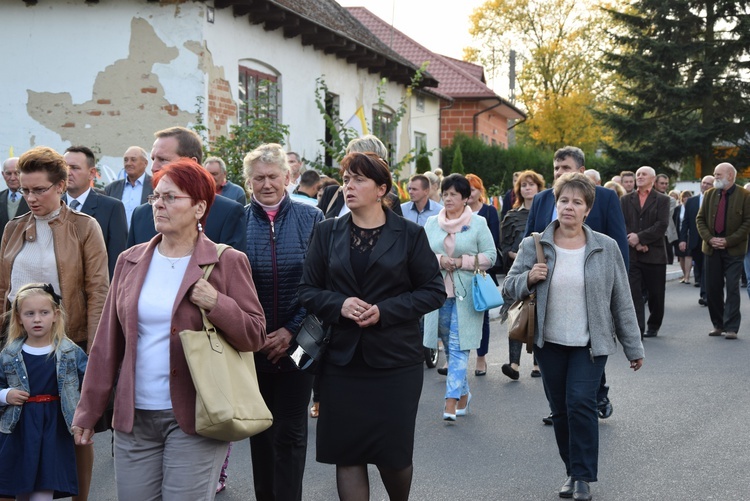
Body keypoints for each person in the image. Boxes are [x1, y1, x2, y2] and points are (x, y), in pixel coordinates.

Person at [71, 158, 266, 500]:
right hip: (134, 417)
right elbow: (106, 345)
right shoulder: (130, 261)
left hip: (196, 416)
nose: (159, 204)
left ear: (199, 207)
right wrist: (88, 410)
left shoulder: (227, 262)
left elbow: (254, 334)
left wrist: (216, 303)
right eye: (156, 197)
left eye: (171, 197)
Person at [299, 152, 445, 501]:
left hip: (395, 361)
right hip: (341, 362)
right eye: (347, 178)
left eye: (359, 179)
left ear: (382, 189)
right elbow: (307, 290)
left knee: (393, 456)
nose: (349, 186)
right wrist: (340, 304)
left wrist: (386, 310)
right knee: (347, 454)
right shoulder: (327, 231)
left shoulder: (409, 235)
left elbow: (433, 291)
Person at [504, 173, 644, 501]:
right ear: (556, 205)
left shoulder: (605, 248)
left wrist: (632, 346)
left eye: (576, 202)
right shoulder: (535, 244)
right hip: (548, 343)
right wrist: (528, 277)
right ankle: (571, 470)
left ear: (587, 210)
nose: (569, 207)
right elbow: (508, 286)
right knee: (560, 411)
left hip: (589, 344)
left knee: (581, 402)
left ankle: (582, 477)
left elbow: (621, 300)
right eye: (564, 200)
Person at [0, 146, 108, 501]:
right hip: (17, 346)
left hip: (67, 346)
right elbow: (3, 289)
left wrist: (95, 354)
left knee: (73, 428)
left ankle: (79, 497)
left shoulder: (84, 226)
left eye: (39, 189)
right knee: (13, 428)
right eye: (25, 189)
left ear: (61, 185)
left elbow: (98, 292)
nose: (30, 197)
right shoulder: (13, 228)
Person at [242, 143, 323, 500]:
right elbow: (228, 286)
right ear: (248, 183)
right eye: (258, 178)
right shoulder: (236, 222)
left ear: (288, 178)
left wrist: (291, 330)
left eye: (273, 176)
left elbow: (323, 283)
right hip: (250, 345)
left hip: (301, 341)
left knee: (291, 434)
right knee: (260, 432)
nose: (266, 184)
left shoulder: (313, 219)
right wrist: (257, 334)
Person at [525, 146, 628, 423]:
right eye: (556, 168)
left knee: (592, 344)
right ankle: (564, 407)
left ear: (581, 171)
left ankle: (596, 394)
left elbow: (618, 242)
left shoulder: (604, 197)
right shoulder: (543, 198)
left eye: (565, 168)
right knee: (561, 374)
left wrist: (618, 283)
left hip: (593, 285)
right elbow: (530, 237)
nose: (559, 173)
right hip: (552, 297)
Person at [0, 283, 88, 501]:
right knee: (20, 487)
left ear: (56, 315)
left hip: (53, 430)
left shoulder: (69, 351)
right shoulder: (9, 354)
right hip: (20, 430)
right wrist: (6, 395)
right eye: (30, 314)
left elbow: (92, 382)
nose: (37, 319)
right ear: (19, 318)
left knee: (43, 490)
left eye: (44, 313)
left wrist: (87, 416)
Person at [423, 174, 496, 421]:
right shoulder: (432, 222)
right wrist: (440, 260)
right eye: (445, 194)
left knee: (458, 345)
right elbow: (420, 255)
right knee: (447, 341)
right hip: (438, 293)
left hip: (468, 294)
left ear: (466, 198)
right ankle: (464, 395)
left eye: (454, 194)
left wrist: (461, 262)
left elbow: (491, 256)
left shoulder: (478, 223)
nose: (448, 198)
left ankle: (451, 400)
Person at [127, 127, 246, 250]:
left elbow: (231, 267)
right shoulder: (140, 216)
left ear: (191, 163)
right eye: (153, 159)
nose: (153, 168)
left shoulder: (226, 214)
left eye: (162, 159)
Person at [696, 163, 750, 340]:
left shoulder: (745, 195)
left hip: (734, 249)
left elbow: (747, 223)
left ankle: (732, 327)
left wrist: (728, 241)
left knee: (733, 288)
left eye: (718, 174)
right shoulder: (710, 194)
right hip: (712, 249)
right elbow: (700, 219)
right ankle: (718, 324)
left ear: (731, 176)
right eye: (714, 174)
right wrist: (710, 239)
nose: (715, 177)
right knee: (713, 288)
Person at [499, 170, 544, 379]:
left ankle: (538, 364)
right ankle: (514, 364)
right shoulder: (511, 216)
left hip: (542, 270)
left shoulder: (546, 215)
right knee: (515, 314)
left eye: (531, 184)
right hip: (517, 271)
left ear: (539, 187)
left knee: (538, 315)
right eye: (523, 185)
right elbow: (505, 245)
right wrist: (520, 256)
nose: (527, 188)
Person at [63, 146, 128, 279]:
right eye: (65, 167)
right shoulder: (54, 206)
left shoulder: (111, 207)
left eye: (74, 168)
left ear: (92, 173)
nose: (68, 172)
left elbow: (116, 257)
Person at [620, 166, 670, 338]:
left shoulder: (662, 200)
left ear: (653, 179)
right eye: (638, 174)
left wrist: (640, 238)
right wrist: (635, 243)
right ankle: (637, 329)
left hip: (654, 255)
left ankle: (654, 325)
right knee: (634, 294)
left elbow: (661, 225)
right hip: (633, 254)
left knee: (656, 294)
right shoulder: (626, 199)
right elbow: (622, 223)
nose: (639, 177)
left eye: (644, 174)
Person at [317, 135, 403, 219]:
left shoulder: (390, 201)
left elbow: (396, 230)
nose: (352, 164)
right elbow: (316, 227)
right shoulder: (332, 193)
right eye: (349, 159)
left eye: (358, 159)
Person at [465, 173, 500, 376]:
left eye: (473, 189)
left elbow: (492, 243)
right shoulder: (456, 212)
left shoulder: (489, 211)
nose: (470, 193)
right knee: (455, 316)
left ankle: (481, 357)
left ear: (480, 191)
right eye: (466, 189)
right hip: (458, 271)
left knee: (482, 316)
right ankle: (455, 358)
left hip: (481, 271)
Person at [679, 176, 714, 306]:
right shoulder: (692, 201)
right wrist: (682, 240)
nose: (705, 185)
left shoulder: (716, 200)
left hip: (710, 241)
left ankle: (705, 295)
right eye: (703, 183)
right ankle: (705, 292)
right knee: (699, 266)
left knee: (707, 268)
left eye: (708, 184)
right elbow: (686, 222)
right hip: (695, 241)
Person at [104, 146, 153, 227]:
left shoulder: (155, 186)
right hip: (118, 238)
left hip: (146, 238)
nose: (128, 163)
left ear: (145, 163)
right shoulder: (111, 189)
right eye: (126, 160)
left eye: (133, 160)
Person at [0, 158, 29, 240]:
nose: (12, 178)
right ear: (3, 174)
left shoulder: (34, 198)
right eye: (8, 173)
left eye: (17, 173)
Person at [655, 174, 678, 264]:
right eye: (662, 183)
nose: (664, 186)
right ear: (655, 183)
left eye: (666, 184)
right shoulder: (647, 197)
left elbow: (664, 215)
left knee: (667, 261)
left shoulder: (671, 200)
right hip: (650, 233)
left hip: (665, 234)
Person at [675, 190, 693, 283]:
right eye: (684, 197)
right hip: (679, 234)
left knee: (688, 254)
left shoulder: (692, 207)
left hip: (690, 233)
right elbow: (675, 221)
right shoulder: (678, 208)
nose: (686, 199)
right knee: (681, 255)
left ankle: (687, 276)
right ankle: (684, 274)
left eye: (688, 197)